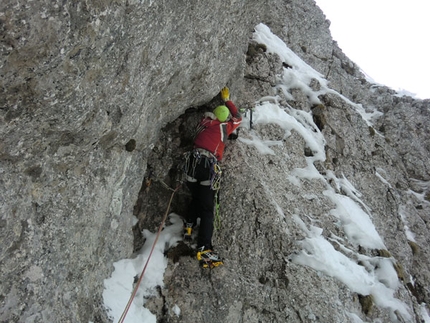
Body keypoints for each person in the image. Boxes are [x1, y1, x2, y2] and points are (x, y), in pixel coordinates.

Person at [183, 86, 242, 268]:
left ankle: (189, 224)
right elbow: (238, 118)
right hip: (207, 166)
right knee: (208, 209)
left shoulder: (204, 123)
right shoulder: (224, 127)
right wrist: (227, 100)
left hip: (191, 165)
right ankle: (204, 248)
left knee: (195, 196)